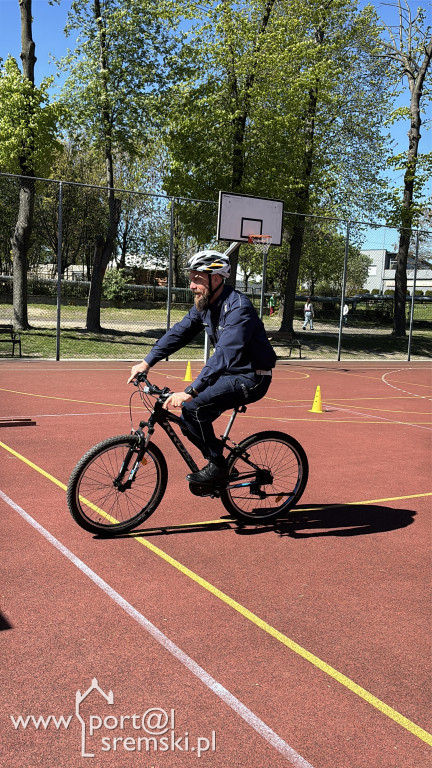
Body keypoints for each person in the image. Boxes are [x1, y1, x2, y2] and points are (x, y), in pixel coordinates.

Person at [127, 250, 276, 485]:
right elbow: (179, 332)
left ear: (216, 279)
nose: (191, 285)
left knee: (193, 406)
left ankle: (218, 465)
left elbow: (224, 355)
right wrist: (147, 362)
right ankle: (219, 462)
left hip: (251, 376)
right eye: (192, 278)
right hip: (228, 374)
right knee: (191, 416)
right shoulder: (204, 305)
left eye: (197, 278)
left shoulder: (239, 309)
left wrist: (190, 391)